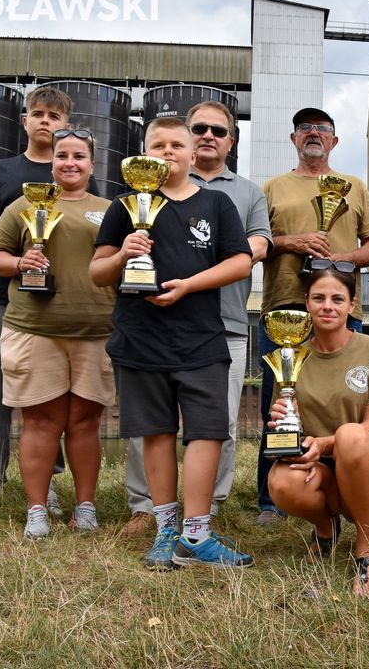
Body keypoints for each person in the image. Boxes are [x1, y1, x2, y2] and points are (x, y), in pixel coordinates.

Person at [91, 118, 253, 570]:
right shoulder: (125, 206)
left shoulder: (217, 204)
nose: (168, 151)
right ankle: (165, 530)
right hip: (140, 339)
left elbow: (241, 262)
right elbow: (98, 272)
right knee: (157, 433)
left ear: (191, 152)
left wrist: (189, 286)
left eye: (176, 144)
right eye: (156, 144)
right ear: (143, 154)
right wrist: (124, 253)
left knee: (207, 431)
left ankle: (197, 534)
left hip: (201, 340)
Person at [122, 100, 272, 535]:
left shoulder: (245, 193)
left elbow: (257, 246)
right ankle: (145, 505)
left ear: (231, 140)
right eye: (199, 128)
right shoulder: (140, 192)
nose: (208, 136)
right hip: (152, 323)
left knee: (216, 423)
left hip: (222, 320)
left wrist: (212, 260)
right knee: (150, 423)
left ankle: (207, 506)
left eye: (218, 131)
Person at [0, 86, 95, 517]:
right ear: (25, 121)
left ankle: (44, 483)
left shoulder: (77, 174)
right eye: (38, 114)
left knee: (46, 395)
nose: (46, 121)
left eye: (55, 116)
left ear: (68, 127)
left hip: (51, 301)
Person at [0, 128, 115, 538]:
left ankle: (86, 507)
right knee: (40, 421)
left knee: (85, 422)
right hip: (34, 329)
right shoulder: (23, 205)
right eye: (62, 156)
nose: (69, 163)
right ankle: (37, 509)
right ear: (52, 161)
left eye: (78, 156)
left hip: (97, 331)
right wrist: (22, 262)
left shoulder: (112, 210)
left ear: (92, 164)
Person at [256, 107, 369, 526]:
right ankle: (272, 498)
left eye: (322, 129)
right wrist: (293, 241)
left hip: (342, 309)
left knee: (349, 407)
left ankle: (349, 492)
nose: (313, 133)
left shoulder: (355, 187)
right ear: (293, 139)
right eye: (305, 128)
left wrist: (338, 262)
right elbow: (254, 243)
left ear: (334, 141)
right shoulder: (272, 187)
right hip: (284, 305)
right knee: (279, 405)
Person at [266, 263, 369, 597]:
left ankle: (368, 553)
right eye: (319, 298)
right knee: (280, 481)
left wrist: (325, 443)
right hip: (319, 468)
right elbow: (287, 428)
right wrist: (283, 422)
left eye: (337, 299)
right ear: (307, 302)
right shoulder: (289, 356)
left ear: (352, 304)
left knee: (351, 435)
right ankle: (326, 527)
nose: (328, 306)